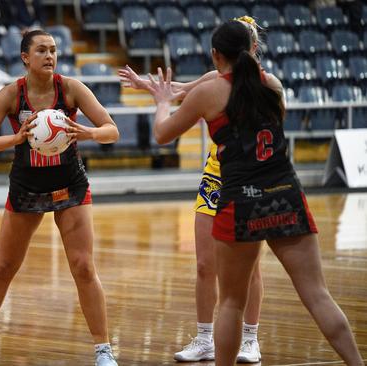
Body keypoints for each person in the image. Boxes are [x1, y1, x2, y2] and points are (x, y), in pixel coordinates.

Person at [120, 20, 364, 366]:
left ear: (216, 55)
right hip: (285, 192)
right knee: (318, 295)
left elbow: (162, 134)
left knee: (231, 302)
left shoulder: (210, 92)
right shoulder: (273, 85)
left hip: (241, 197)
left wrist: (161, 101)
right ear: (251, 49)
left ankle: (239, 348)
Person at [0, 29, 120, 366]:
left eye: (54, 50)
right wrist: (14, 139)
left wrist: (88, 132)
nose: (49, 56)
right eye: (41, 50)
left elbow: (111, 130)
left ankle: (103, 350)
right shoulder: (12, 94)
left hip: (70, 184)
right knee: (3, 268)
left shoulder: (70, 88)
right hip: (27, 186)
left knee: (83, 266)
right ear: (25, 57)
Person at [119, 16, 265, 363]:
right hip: (215, 178)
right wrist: (146, 86)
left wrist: (162, 102)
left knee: (252, 269)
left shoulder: (265, 85)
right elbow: (185, 89)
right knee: (203, 264)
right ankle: (204, 338)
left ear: (253, 49)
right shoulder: (215, 78)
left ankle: (250, 338)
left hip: (250, 181)